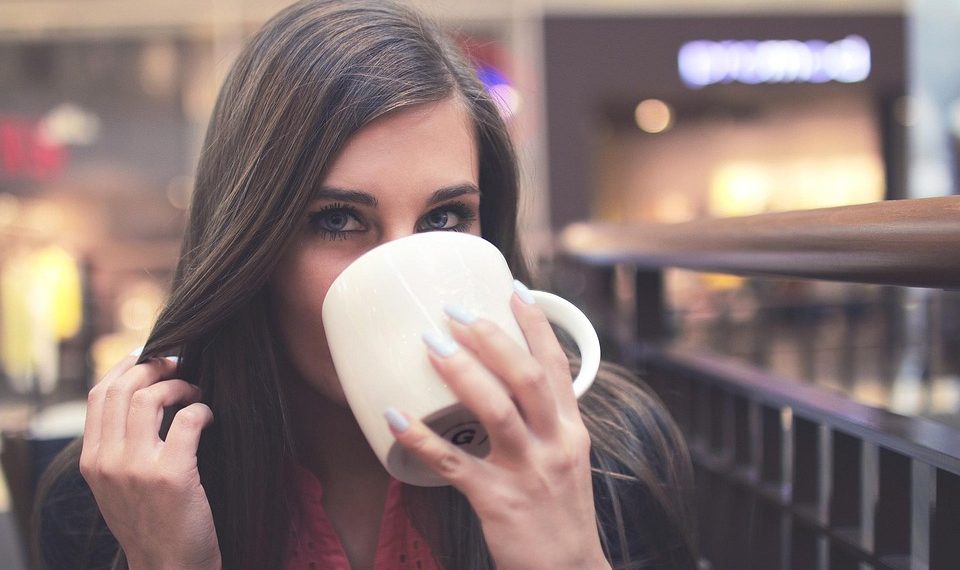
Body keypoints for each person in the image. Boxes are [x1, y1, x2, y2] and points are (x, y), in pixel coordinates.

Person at [34, 1, 697, 568]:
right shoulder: (119, 496)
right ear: (251, 245)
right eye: (338, 219)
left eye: (445, 217)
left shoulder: (608, 459)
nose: (402, 270)